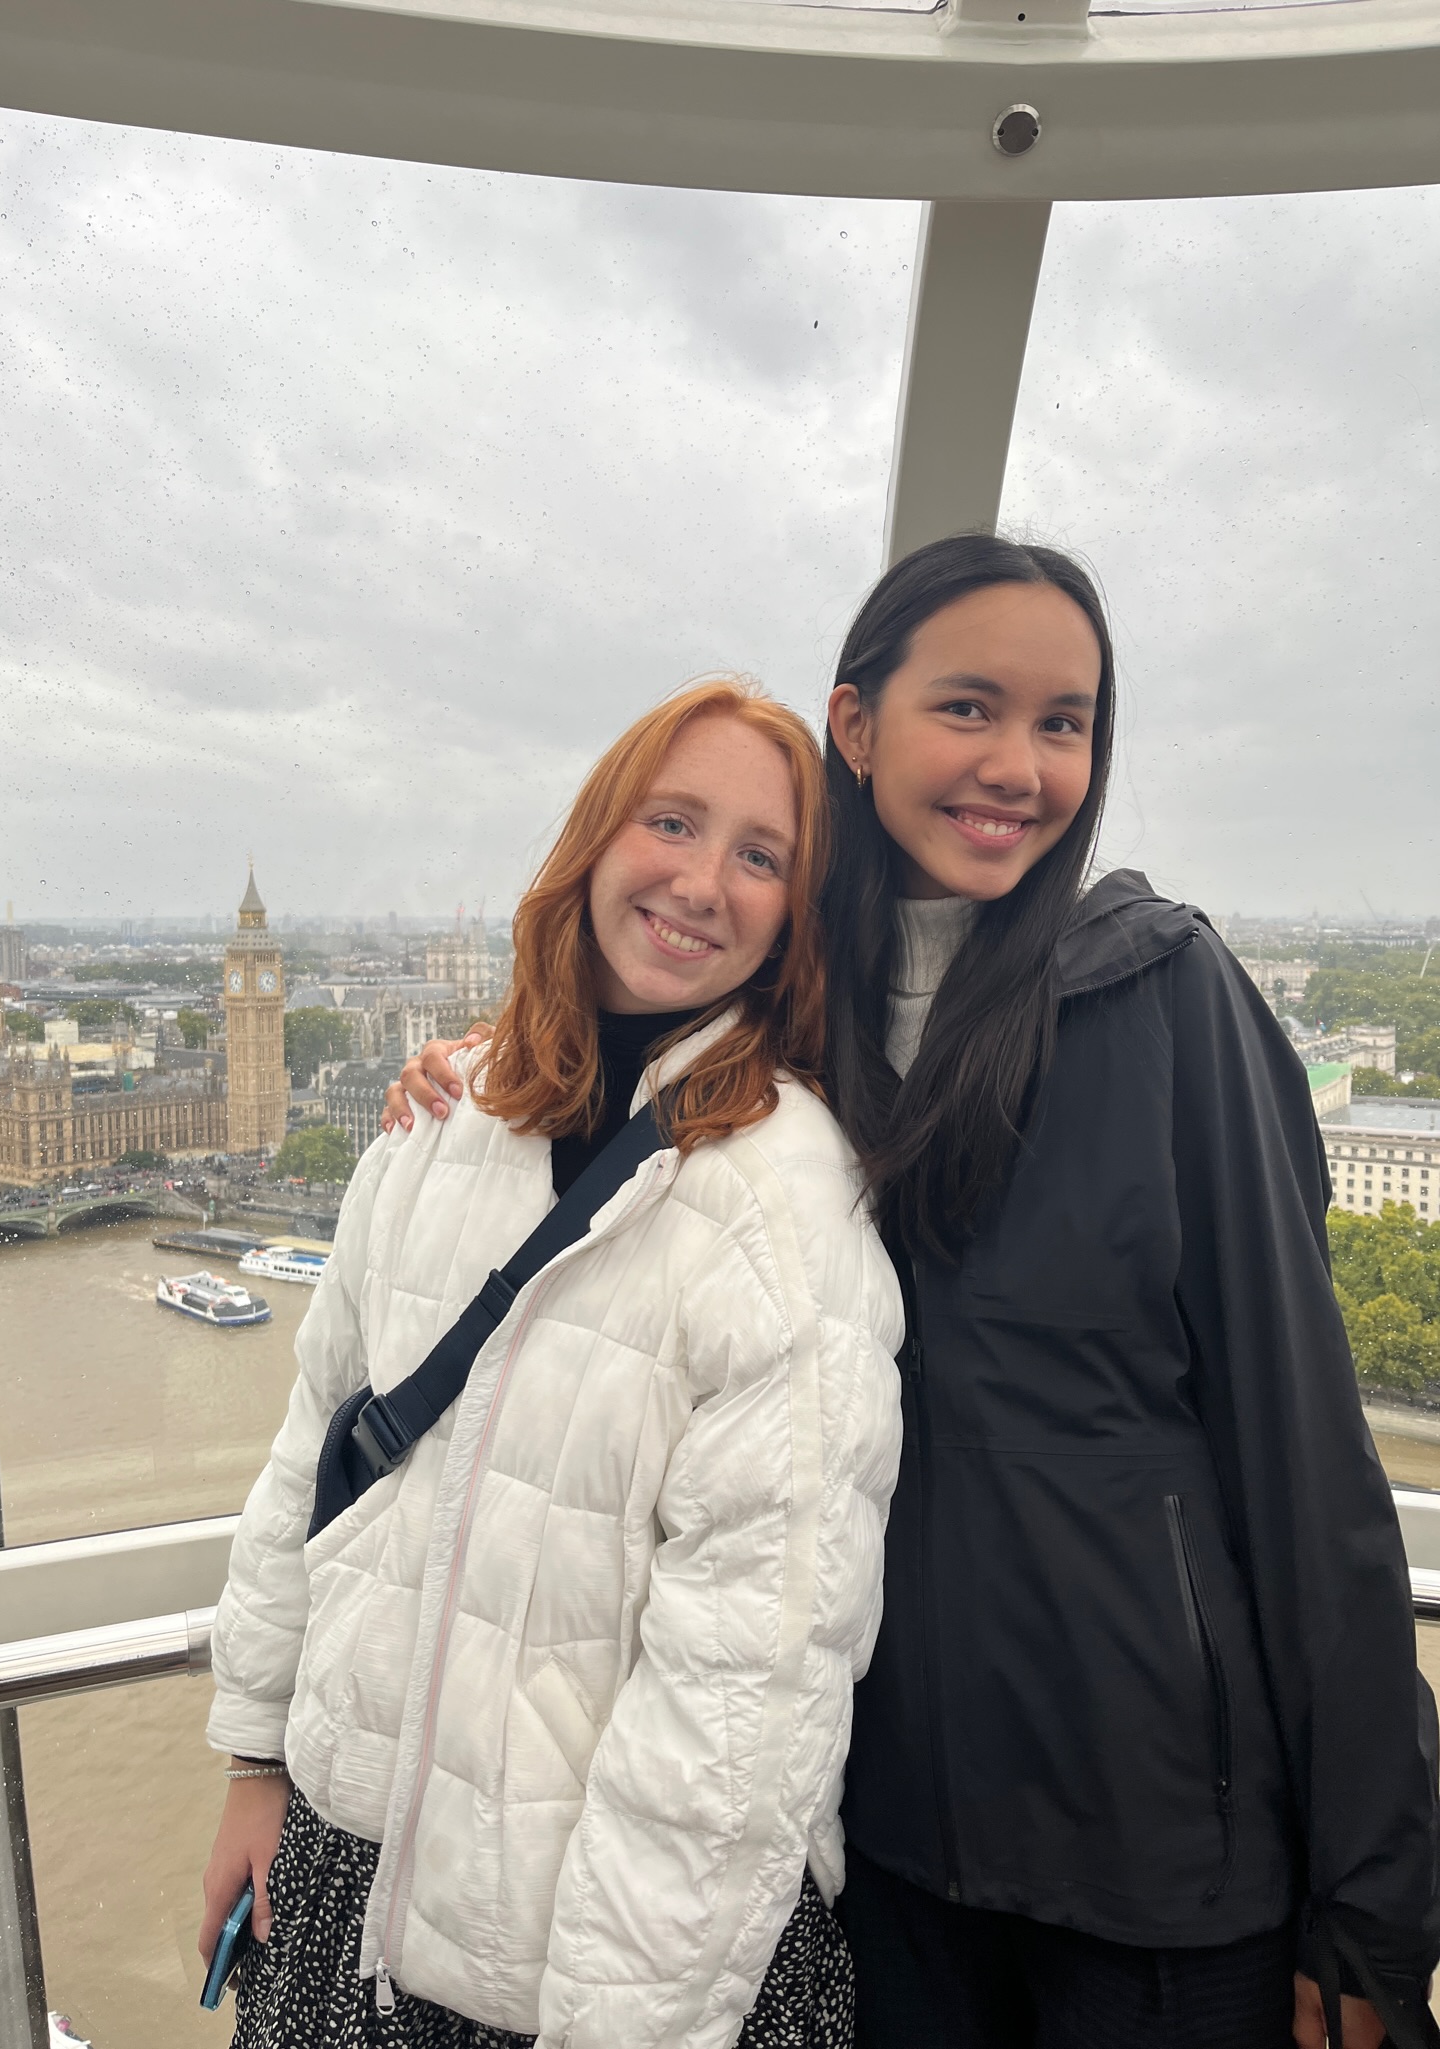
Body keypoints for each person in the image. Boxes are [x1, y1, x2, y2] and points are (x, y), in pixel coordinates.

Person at [391, 535, 1440, 2049]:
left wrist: (1374, 1904)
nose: (1018, 763)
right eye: (971, 708)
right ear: (858, 724)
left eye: (1065, 722)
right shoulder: (787, 1009)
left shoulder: (1165, 996)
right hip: (884, 1854)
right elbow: (603, 1079)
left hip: (1158, 1861)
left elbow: (1306, 1460)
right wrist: (467, 1080)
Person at [199, 677, 904, 2049]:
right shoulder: (433, 1123)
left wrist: (622, 2025)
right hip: (346, 1882)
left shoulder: (791, 1207)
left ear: (795, 915)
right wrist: (253, 1758)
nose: (704, 880)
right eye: (673, 821)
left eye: (761, 855)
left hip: (592, 1953)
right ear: (596, 840)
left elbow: (746, 1698)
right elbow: (314, 1461)